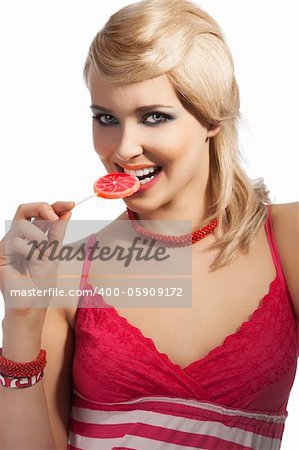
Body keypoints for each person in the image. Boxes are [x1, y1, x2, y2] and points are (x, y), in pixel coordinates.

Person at [0, 0, 298, 449]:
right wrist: (21, 318)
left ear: (212, 115)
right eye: (105, 118)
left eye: (154, 117)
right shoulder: (64, 268)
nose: (123, 148)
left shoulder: (288, 237)